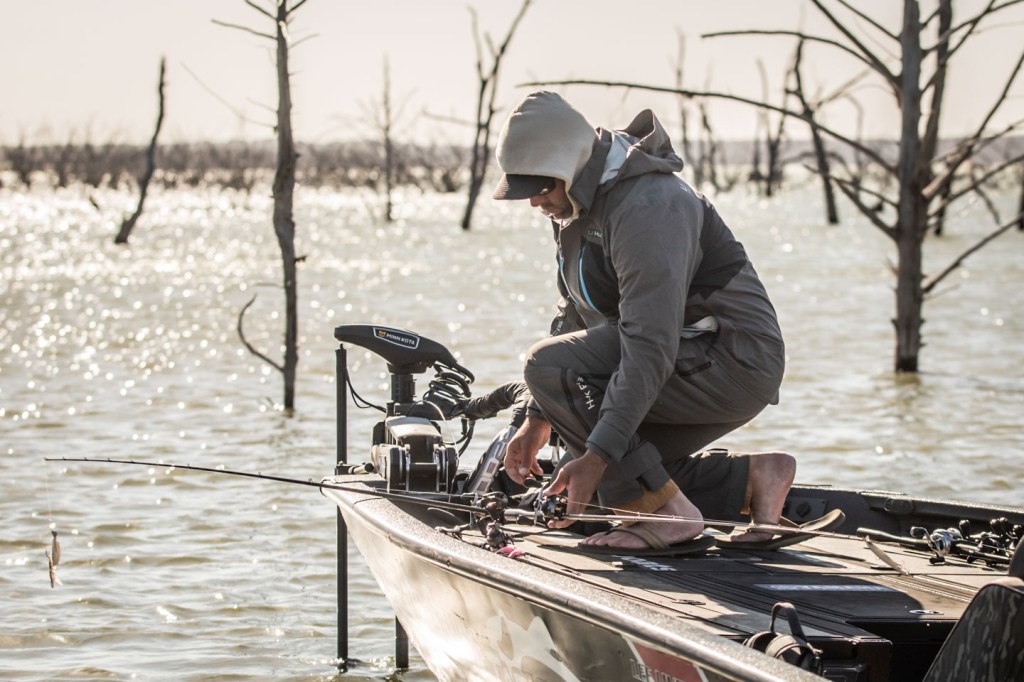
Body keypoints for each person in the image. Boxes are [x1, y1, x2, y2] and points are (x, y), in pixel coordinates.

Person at [492, 91, 796, 552]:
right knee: (613, 466)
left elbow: (650, 343)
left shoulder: (649, 206)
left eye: (540, 187)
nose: (534, 202)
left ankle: (667, 515)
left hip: (731, 360)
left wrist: (599, 454)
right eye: (523, 189)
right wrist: (538, 416)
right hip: (679, 354)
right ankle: (754, 479)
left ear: (569, 166)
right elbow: (574, 311)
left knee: (552, 375)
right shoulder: (576, 200)